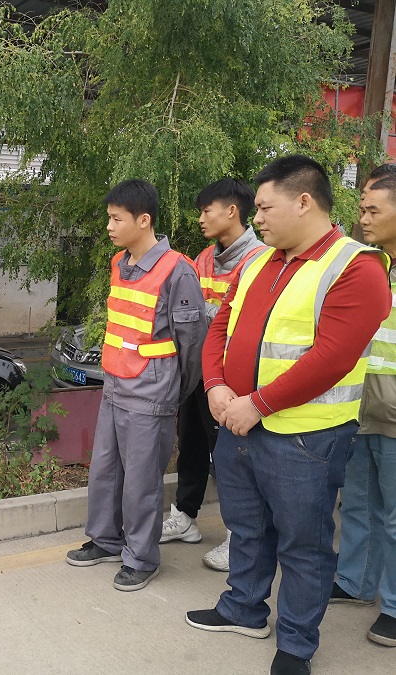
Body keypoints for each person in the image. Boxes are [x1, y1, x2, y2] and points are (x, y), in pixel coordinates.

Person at [185, 155, 390, 675]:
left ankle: (296, 644)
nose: (255, 218)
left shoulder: (357, 267)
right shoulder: (260, 262)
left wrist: (257, 404)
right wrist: (215, 385)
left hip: (304, 439)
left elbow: (333, 357)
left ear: (303, 202)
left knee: (305, 546)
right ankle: (243, 608)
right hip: (238, 424)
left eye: (264, 207)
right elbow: (220, 327)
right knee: (246, 528)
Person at [66, 179, 206, 591]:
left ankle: (142, 557)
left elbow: (192, 344)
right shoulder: (119, 263)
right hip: (115, 385)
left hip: (150, 393)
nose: (109, 226)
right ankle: (106, 540)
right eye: (109, 218)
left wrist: (174, 391)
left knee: (142, 481)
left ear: (143, 220)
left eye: (116, 219)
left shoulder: (177, 270)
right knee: (105, 470)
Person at [161, 179, 265, 573]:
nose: (201, 218)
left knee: (230, 457)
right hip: (199, 370)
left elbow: (243, 321)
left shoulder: (260, 259)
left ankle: (239, 537)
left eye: (207, 211)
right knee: (190, 442)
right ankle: (185, 517)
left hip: (233, 378)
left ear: (232, 211)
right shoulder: (204, 257)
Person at [327, 164, 396, 648]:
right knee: (358, 501)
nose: (364, 219)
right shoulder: (370, 266)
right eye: (362, 209)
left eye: (373, 210)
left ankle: (394, 604)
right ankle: (355, 581)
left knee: (394, 513)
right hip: (360, 404)